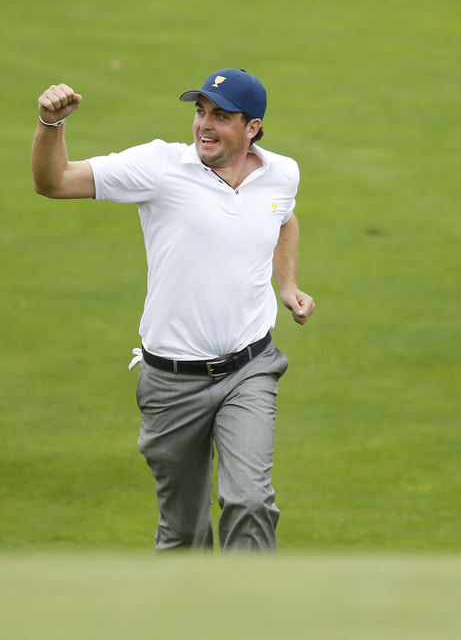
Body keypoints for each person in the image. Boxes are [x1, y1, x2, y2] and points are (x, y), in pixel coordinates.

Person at [31, 69, 315, 551]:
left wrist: (286, 285)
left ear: (252, 128)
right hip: (170, 382)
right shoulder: (159, 168)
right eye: (200, 111)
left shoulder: (280, 173)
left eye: (221, 116)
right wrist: (50, 125)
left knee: (249, 501)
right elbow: (54, 182)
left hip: (249, 369)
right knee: (184, 533)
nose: (204, 124)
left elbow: (284, 220)